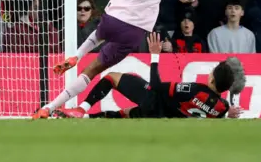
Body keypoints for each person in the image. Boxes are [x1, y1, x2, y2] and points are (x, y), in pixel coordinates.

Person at [32, 0, 198, 119]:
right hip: (136, 32)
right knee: (92, 70)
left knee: (100, 34)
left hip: (114, 19)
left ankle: (76, 56)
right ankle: (49, 108)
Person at [56, 33, 244, 119]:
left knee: (112, 77)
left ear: (212, 79)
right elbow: (218, 112)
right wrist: (229, 113)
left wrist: (155, 55)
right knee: (124, 114)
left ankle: (81, 110)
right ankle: (86, 119)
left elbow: (156, 85)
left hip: (153, 99)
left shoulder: (193, 90)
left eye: (212, 71)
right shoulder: (221, 108)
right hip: (162, 116)